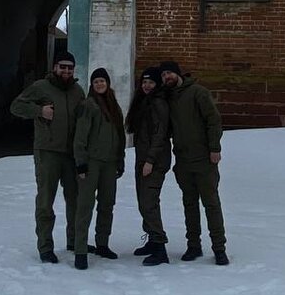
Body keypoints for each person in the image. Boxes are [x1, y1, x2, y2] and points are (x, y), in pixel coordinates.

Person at [10, 50, 85, 263]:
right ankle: (45, 246)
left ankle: (74, 241)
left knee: (75, 200)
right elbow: (16, 106)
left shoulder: (78, 91)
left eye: (70, 68)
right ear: (55, 68)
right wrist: (39, 111)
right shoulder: (41, 87)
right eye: (62, 67)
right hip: (48, 152)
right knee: (45, 200)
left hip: (71, 154)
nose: (66, 71)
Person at [160, 60, 229, 265]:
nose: (166, 78)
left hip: (204, 159)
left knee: (211, 203)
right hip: (183, 160)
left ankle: (219, 248)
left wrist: (214, 148)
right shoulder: (169, 97)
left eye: (169, 74)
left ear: (177, 74)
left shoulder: (198, 92)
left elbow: (213, 120)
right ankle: (193, 245)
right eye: (163, 76)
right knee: (189, 204)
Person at [72, 67, 127, 270]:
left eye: (102, 81)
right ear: (92, 85)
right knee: (85, 206)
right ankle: (80, 250)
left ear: (108, 83)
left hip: (109, 163)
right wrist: (81, 163)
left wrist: (120, 159)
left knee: (107, 204)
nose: (100, 84)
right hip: (91, 162)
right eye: (96, 82)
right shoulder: (89, 105)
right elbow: (80, 138)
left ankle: (102, 244)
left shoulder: (114, 106)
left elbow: (120, 136)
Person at [125, 66, 171, 265]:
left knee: (149, 202)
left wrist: (150, 161)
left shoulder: (159, 103)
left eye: (151, 82)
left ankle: (160, 248)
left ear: (157, 84)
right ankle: (152, 239)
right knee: (143, 200)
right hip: (143, 159)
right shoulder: (144, 102)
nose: (146, 85)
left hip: (154, 161)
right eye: (144, 82)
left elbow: (160, 135)